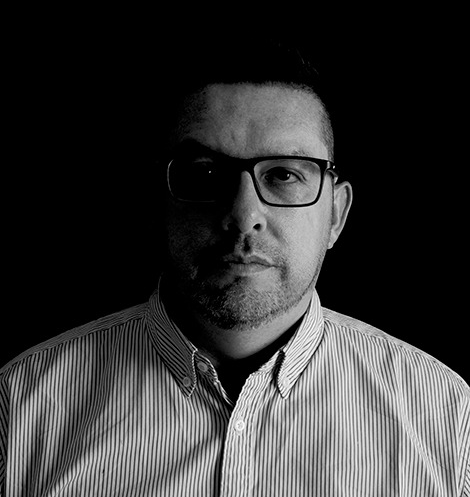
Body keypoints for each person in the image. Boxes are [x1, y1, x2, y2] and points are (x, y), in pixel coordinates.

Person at [1, 32, 469, 497]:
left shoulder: (447, 415)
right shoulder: (19, 404)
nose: (244, 216)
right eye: (205, 172)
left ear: (336, 215)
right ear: (155, 203)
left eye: (283, 174)